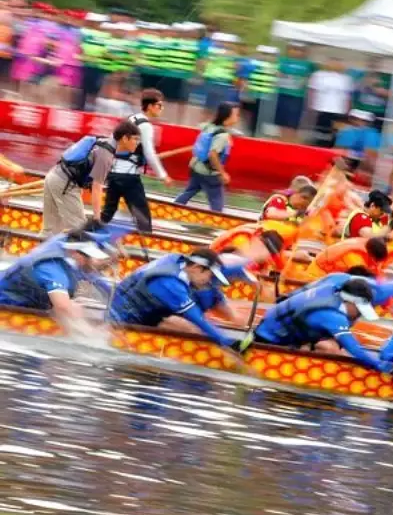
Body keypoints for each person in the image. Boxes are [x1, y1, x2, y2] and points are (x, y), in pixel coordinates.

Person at [246, 276, 392, 372]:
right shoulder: (333, 316)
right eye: (360, 311)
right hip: (268, 340)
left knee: (334, 345)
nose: (359, 316)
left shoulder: (331, 289)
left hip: (273, 328)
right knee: (332, 348)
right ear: (351, 302)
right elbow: (355, 348)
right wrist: (381, 367)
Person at [108, 248, 238, 351]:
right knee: (193, 329)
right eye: (209, 276)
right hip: (123, 322)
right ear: (196, 268)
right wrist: (226, 342)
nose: (208, 281)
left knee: (187, 324)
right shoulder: (170, 284)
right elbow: (198, 319)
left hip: (141, 310)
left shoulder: (178, 259)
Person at [0, 230, 113, 335]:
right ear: (77, 255)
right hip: (6, 303)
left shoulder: (68, 248)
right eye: (92, 258)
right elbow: (63, 308)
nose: (95, 263)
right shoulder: (53, 270)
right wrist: (92, 334)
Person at [44, 120, 139, 236]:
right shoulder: (106, 156)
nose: (137, 143)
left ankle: (39, 253)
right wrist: (97, 218)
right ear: (125, 138)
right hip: (64, 184)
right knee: (80, 231)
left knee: (49, 231)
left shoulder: (102, 142)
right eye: (135, 139)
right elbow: (97, 188)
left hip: (54, 175)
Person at [103, 88, 171, 233]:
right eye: (159, 105)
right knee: (143, 219)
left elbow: (111, 142)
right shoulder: (146, 126)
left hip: (114, 173)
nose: (161, 109)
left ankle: (88, 236)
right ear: (151, 106)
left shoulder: (131, 119)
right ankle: (146, 247)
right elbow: (149, 152)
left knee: (107, 214)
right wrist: (163, 175)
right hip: (129, 176)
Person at [174, 101, 237, 212]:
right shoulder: (222, 136)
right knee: (217, 201)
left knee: (188, 192)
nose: (237, 117)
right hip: (209, 175)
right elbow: (212, 155)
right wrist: (222, 173)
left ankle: (173, 208)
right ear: (228, 117)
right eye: (236, 114)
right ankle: (218, 221)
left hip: (195, 167)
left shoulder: (209, 126)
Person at [274, 43, 314, 143]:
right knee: (281, 120)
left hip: (297, 96)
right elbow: (277, 73)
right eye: (294, 49)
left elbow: (309, 78)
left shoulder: (309, 64)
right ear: (289, 50)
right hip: (281, 93)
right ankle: (282, 140)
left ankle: (290, 141)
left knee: (293, 121)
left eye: (300, 50)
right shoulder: (281, 60)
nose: (296, 52)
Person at [309, 60, 353, 147]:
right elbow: (312, 91)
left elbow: (348, 96)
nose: (335, 65)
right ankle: (318, 146)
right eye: (333, 63)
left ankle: (331, 147)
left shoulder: (346, 79)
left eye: (338, 63)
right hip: (321, 108)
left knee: (335, 132)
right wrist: (311, 105)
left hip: (339, 110)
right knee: (321, 131)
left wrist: (348, 110)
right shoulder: (319, 75)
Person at [306, 236, 393, 279]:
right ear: (372, 255)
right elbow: (362, 279)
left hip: (329, 276)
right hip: (317, 276)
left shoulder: (367, 243)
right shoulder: (355, 257)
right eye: (376, 261)